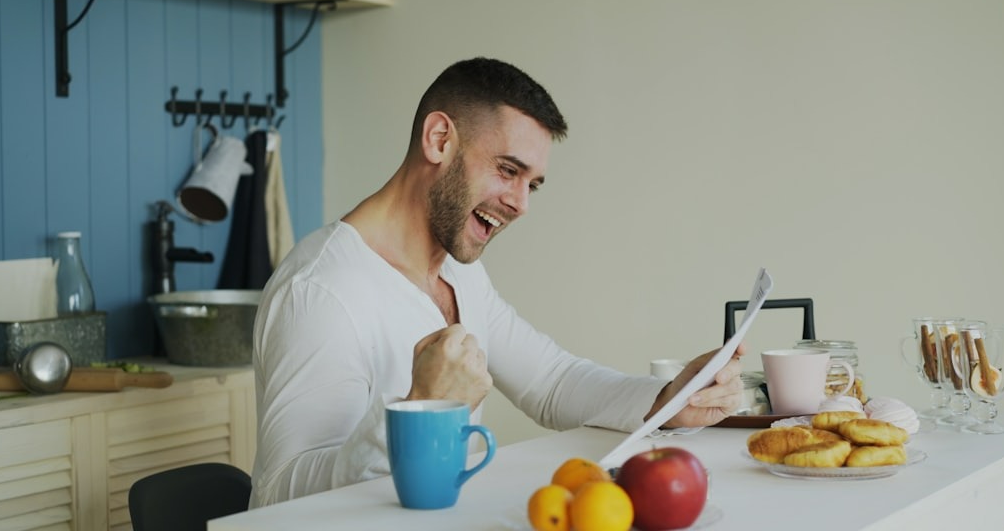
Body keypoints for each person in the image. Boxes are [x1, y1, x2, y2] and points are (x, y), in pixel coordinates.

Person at [248, 57, 745, 508]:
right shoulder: (321, 291)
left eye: (532, 184)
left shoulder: (460, 272)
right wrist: (418, 411)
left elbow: (551, 382)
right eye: (508, 170)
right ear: (439, 140)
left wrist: (671, 400)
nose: (521, 203)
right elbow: (280, 496)